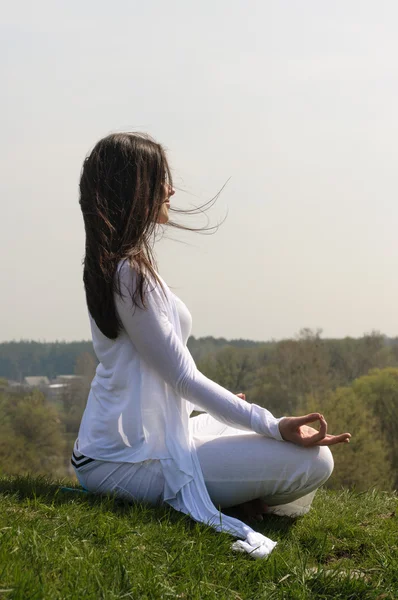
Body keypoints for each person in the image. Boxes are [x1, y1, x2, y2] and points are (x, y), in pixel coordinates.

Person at [72, 132, 351, 558]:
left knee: (267, 434)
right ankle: (237, 495)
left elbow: (158, 378)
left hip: (139, 440)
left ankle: (239, 490)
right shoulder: (128, 274)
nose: (170, 189)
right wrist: (273, 424)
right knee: (312, 461)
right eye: (160, 178)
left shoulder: (124, 267)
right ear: (134, 188)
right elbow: (183, 377)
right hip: (121, 461)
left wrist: (206, 411)